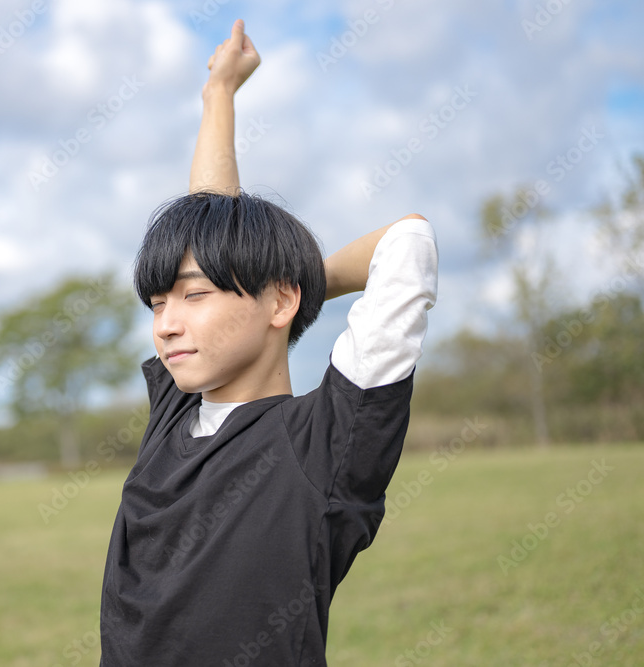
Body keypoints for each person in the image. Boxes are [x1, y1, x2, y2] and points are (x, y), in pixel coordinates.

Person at [98, 18, 438, 666]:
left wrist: (289, 285)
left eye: (194, 296)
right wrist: (219, 92)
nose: (165, 323)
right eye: (158, 303)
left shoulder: (327, 441)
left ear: (280, 301)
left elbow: (409, 240)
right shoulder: (176, 409)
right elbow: (208, 217)